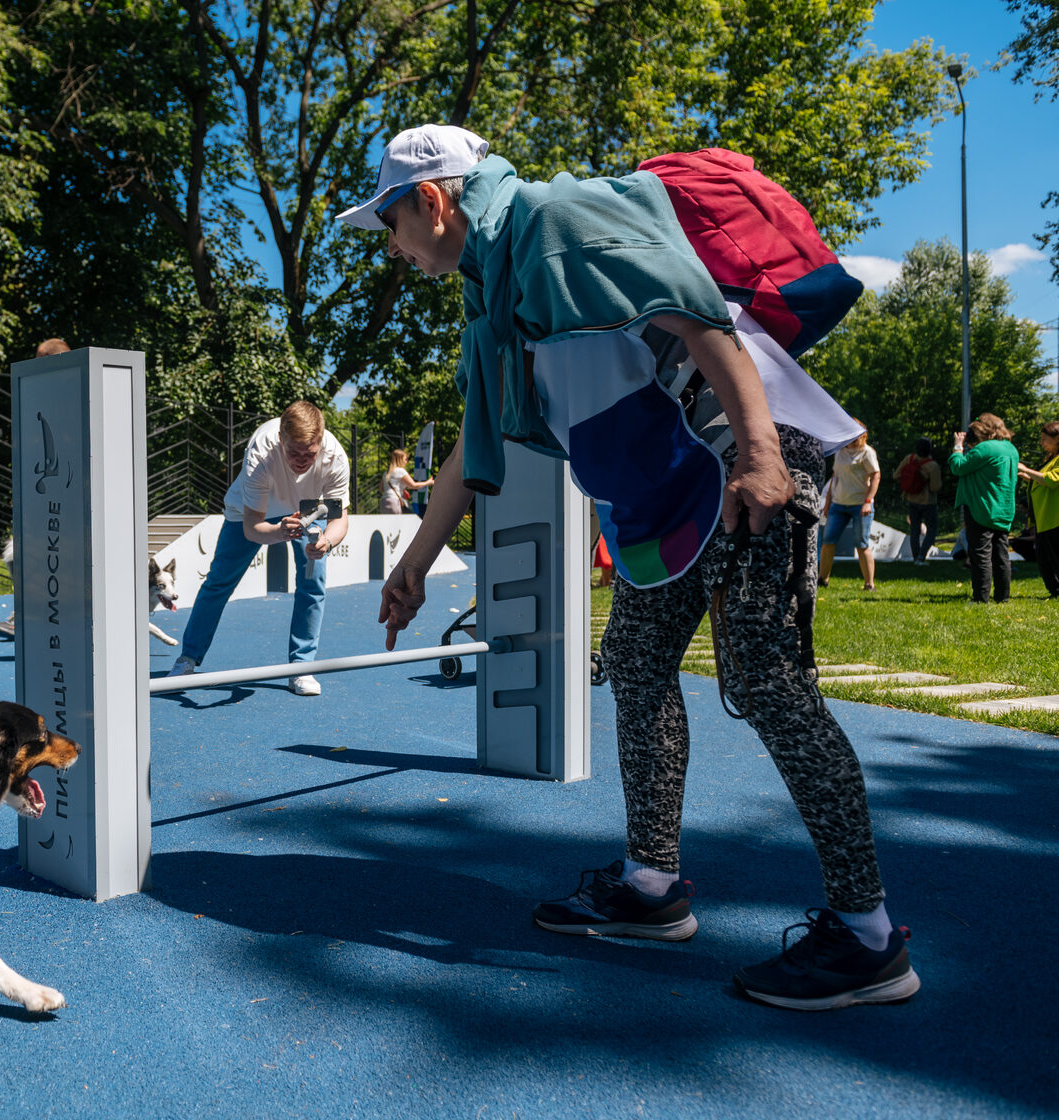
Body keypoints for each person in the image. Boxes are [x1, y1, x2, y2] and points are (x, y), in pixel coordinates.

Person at [342, 124, 915, 1010]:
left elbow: (702, 316)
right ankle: (651, 888)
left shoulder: (555, 223)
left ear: (433, 199)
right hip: (669, 495)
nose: (393, 248)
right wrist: (414, 563)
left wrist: (761, 457)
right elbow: (472, 444)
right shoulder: (491, 299)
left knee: (767, 681)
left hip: (738, 454)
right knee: (640, 665)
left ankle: (869, 936)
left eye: (389, 225)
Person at [166, 401, 350, 696]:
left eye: (310, 454)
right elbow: (253, 528)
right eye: (294, 453)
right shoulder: (261, 451)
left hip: (306, 509)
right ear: (281, 439)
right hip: (250, 513)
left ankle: (300, 667)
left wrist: (326, 542)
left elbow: (339, 521)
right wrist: (278, 531)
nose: (302, 461)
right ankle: (188, 658)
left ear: (321, 442)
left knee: (313, 582)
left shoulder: (335, 457)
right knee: (219, 582)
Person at [0, 337, 72, 638]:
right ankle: (29, 614)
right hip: (43, 488)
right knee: (20, 555)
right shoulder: (44, 394)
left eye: (36, 358)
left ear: (48, 360)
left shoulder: (66, 393)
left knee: (29, 555)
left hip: (61, 489)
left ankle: (30, 615)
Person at [950, 413, 1020, 604]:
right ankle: (1003, 597)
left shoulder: (985, 448)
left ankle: (980, 598)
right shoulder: (1011, 449)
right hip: (1003, 509)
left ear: (983, 430)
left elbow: (958, 467)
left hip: (982, 508)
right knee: (1001, 555)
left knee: (980, 554)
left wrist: (958, 446)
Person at [817, 423, 880, 590]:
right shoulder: (839, 451)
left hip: (860, 505)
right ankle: (823, 579)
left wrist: (868, 501)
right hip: (838, 504)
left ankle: (869, 584)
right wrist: (828, 501)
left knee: (861, 544)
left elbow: (876, 476)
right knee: (828, 541)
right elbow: (835, 476)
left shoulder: (867, 452)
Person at [1017, 421, 1059, 598]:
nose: (1041, 443)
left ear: (1057, 438)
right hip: (1043, 518)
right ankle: (1054, 591)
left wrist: (1027, 470)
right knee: (1043, 559)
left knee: (1055, 557)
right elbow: (1043, 481)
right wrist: (1027, 477)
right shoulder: (1051, 458)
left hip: (1054, 518)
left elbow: (1051, 480)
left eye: (1044, 439)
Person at [895, 437, 942, 565]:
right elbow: (935, 487)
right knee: (931, 530)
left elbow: (896, 475)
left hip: (911, 500)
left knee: (914, 530)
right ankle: (921, 557)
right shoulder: (932, 465)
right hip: (928, 502)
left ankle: (916, 558)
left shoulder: (909, 459)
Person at [379, 447, 433, 514]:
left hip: (384, 502)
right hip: (394, 502)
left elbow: (381, 489)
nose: (406, 461)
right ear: (400, 459)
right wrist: (428, 482)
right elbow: (413, 485)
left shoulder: (386, 472)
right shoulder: (400, 471)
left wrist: (401, 490)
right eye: (405, 459)